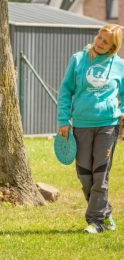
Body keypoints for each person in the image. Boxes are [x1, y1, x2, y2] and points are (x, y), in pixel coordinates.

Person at [57, 24, 124, 234]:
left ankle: (96, 221)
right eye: (99, 37)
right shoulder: (78, 59)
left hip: (107, 125)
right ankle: (105, 211)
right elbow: (66, 90)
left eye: (105, 41)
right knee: (84, 173)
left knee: (100, 173)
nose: (99, 42)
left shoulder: (119, 65)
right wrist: (63, 120)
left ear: (113, 47)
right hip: (81, 125)